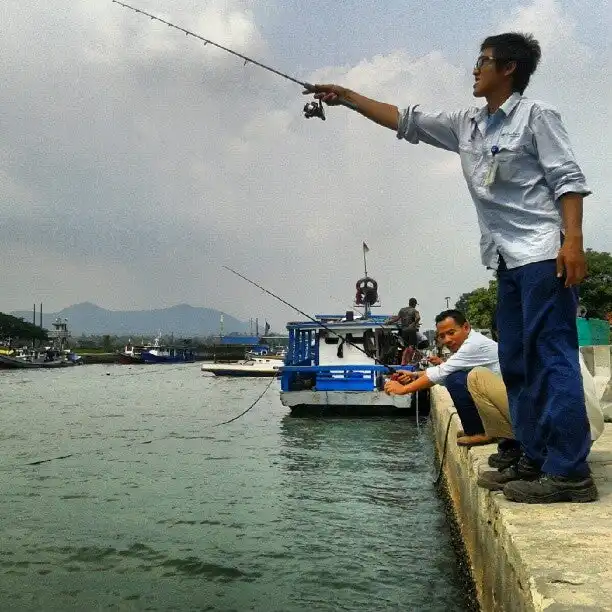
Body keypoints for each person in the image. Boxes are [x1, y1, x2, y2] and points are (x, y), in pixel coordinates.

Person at [306, 33, 595, 503]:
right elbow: (405, 121)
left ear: (509, 69)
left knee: (550, 360)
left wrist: (574, 240)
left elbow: (569, 180)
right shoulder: (469, 125)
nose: (474, 69)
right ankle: (535, 454)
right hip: (506, 260)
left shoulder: (536, 117)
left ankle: (568, 472)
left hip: (544, 255)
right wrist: (348, 99)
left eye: (483, 61)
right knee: (517, 363)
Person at [469, 358, 605, 495]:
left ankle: (533, 457)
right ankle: (533, 455)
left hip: (566, 434)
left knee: (477, 377)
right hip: (582, 433)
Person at [384, 309, 499, 446]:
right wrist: (414, 375)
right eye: (442, 336)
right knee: (454, 376)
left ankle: (478, 432)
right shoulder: (473, 341)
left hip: (506, 401)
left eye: (451, 333)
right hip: (500, 396)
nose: (447, 340)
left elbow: (440, 373)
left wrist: (404, 389)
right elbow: (443, 369)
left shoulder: (472, 346)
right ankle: (479, 429)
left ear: (466, 327)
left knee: (454, 380)